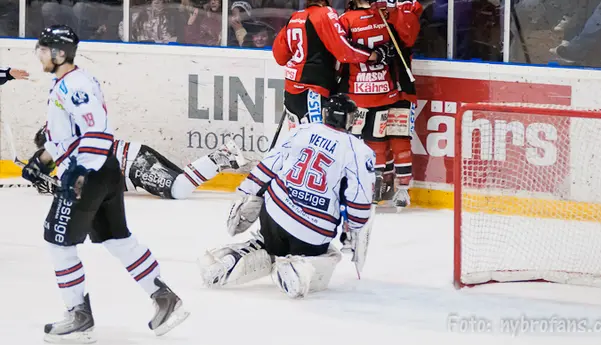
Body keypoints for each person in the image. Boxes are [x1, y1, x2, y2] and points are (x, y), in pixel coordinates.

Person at [21, 25, 189, 343]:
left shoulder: (74, 86)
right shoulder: (68, 82)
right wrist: (40, 161)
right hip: (103, 170)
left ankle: (79, 317)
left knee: (59, 242)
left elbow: (97, 132)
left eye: (43, 49)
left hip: (89, 175)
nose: (39, 55)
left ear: (58, 53)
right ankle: (164, 298)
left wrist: (78, 173)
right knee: (117, 239)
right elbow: (68, 137)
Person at [197, 94, 376, 299]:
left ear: (326, 114)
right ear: (349, 119)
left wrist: (246, 194)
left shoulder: (302, 130)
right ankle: (298, 269)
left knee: (270, 243)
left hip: (272, 219)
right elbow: (359, 198)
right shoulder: (359, 151)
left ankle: (233, 260)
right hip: (311, 234)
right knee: (330, 254)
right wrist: (354, 228)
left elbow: (268, 166)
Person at [271, 0, 396, 131]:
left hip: (291, 92)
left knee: (297, 142)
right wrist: (375, 55)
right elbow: (344, 52)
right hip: (313, 91)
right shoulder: (325, 14)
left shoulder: (294, 18)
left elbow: (280, 56)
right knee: (316, 139)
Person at [33, 126, 247, 199]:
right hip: (137, 157)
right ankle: (221, 156)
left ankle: (223, 155)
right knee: (183, 179)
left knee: (179, 190)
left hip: (135, 165)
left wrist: (53, 185)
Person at [338, 0, 401, 206]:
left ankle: (353, 185)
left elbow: (340, 50)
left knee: (354, 140)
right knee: (377, 140)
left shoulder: (346, 19)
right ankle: (376, 189)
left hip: (358, 93)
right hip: (384, 91)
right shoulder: (383, 16)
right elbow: (397, 43)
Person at [368, 0, 423, 207]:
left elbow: (409, 36)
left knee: (400, 141)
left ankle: (403, 188)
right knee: (376, 142)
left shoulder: (403, 14)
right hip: (375, 90)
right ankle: (380, 185)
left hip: (400, 90)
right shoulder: (366, 19)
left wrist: (393, 10)